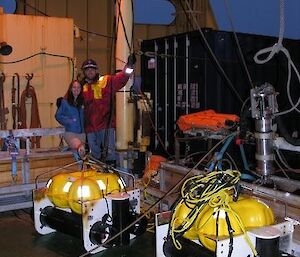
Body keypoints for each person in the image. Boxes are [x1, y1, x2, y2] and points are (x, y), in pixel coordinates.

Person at [81, 54, 135, 166]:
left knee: (110, 153)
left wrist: (129, 66)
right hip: (90, 127)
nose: (90, 72)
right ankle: (95, 171)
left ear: (96, 70)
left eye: (92, 69)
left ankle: (111, 173)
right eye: (87, 70)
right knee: (94, 153)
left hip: (105, 125)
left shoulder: (106, 81)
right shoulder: (83, 87)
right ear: (84, 72)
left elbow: (122, 79)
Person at [55, 80, 86, 167]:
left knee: (80, 153)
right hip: (70, 132)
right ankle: (83, 169)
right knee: (80, 149)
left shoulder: (83, 102)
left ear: (81, 89)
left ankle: (81, 170)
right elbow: (58, 115)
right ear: (70, 89)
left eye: (78, 87)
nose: (76, 89)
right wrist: (68, 121)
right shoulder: (65, 102)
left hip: (82, 133)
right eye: (74, 87)